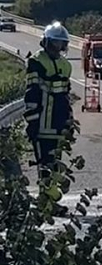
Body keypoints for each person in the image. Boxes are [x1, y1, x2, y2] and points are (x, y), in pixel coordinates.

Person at [23, 22, 73, 181]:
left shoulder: (66, 65)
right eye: (54, 42)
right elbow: (32, 94)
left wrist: (69, 120)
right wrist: (32, 122)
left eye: (60, 43)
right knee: (44, 165)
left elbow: (66, 95)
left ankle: (52, 203)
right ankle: (45, 201)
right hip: (42, 124)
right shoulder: (36, 62)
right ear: (47, 42)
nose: (57, 46)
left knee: (56, 164)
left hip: (58, 123)